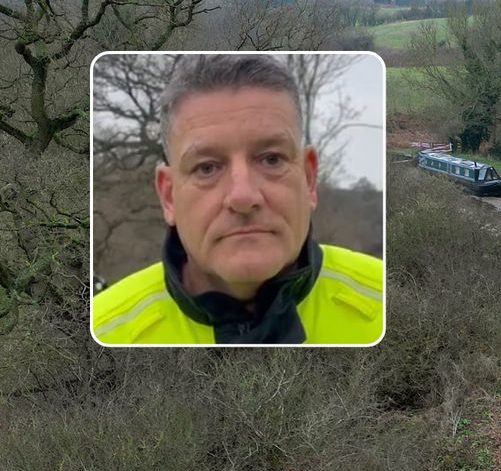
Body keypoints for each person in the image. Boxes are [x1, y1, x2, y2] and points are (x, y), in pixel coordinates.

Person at [92, 54, 384, 345]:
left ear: (308, 179)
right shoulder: (102, 333)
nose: (243, 196)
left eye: (271, 159)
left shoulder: (392, 303)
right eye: (206, 168)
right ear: (168, 196)